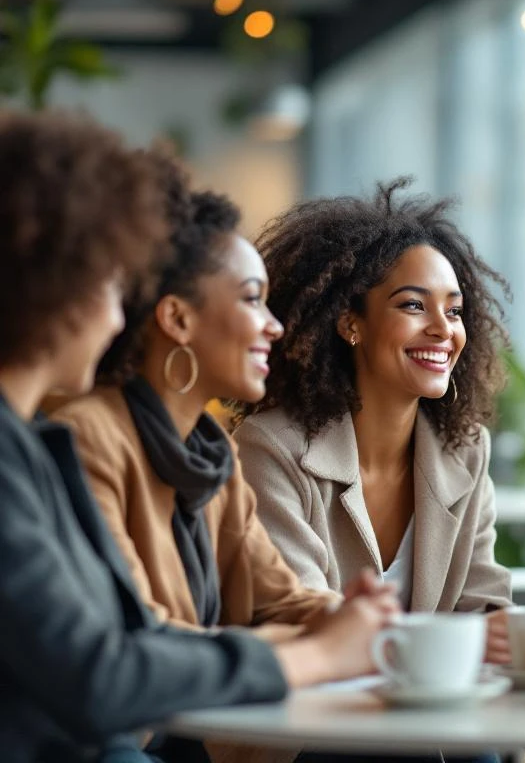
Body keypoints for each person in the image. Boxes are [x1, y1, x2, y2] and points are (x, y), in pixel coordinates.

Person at [0, 109, 398, 763]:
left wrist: (351, 625)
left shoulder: (36, 448)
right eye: (108, 280)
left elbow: (127, 643)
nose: (115, 309)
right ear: (57, 282)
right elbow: (109, 669)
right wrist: (316, 655)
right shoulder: (57, 442)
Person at [53, 153, 338, 643]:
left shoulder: (210, 453)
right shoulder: (87, 436)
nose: (275, 326)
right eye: (252, 299)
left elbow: (284, 601)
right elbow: (142, 640)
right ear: (178, 319)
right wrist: (327, 640)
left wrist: (367, 620)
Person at [231, 179, 513, 663]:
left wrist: (498, 630)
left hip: (434, 721)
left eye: (455, 310)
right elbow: (300, 619)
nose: (444, 330)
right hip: (316, 722)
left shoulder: (466, 451)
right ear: (349, 323)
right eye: (412, 305)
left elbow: (482, 608)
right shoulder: (271, 448)